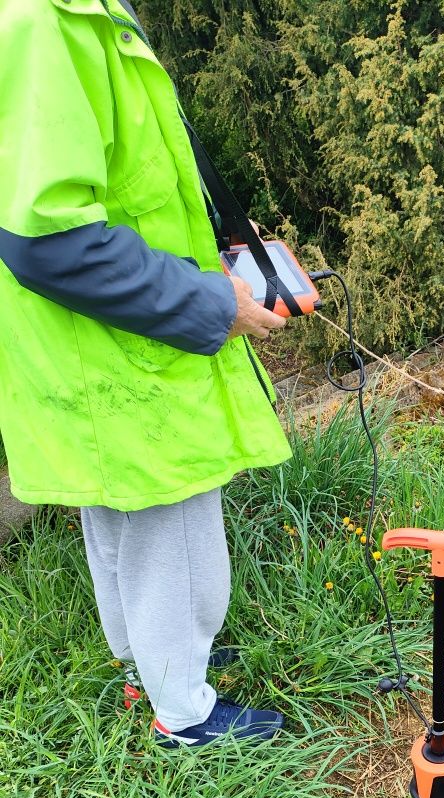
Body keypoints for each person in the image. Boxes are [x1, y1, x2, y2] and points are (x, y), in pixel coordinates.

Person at [0, 0, 290, 748]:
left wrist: (224, 232)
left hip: (92, 343)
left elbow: (126, 179)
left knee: (119, 512)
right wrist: (208, 301)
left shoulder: (70, 12)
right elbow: (50, 243)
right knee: (175, 522)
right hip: (124, 342)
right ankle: (185, 713)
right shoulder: (47, 23)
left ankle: (149, 666)